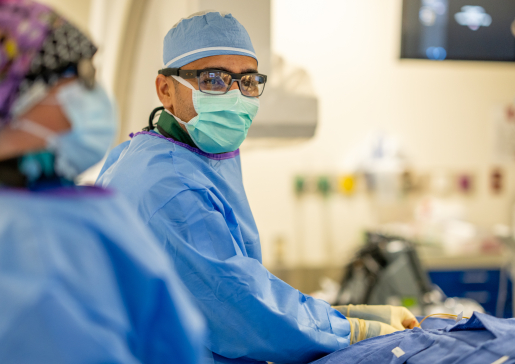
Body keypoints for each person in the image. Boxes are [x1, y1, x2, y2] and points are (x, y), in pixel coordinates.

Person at [97, 11, 418, 364]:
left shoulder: (162, 154)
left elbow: (235, 286)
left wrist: (351, 314)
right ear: (166, 90)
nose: (236, 96)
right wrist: (353, 329)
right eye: (213, 79)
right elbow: (242, 310)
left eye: (247, 81)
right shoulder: (171, 188)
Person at [0, 1, 204, 363]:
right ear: (14, 94)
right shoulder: (22, 241)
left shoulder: (73, 209)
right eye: (81, 77)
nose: (95, 95)